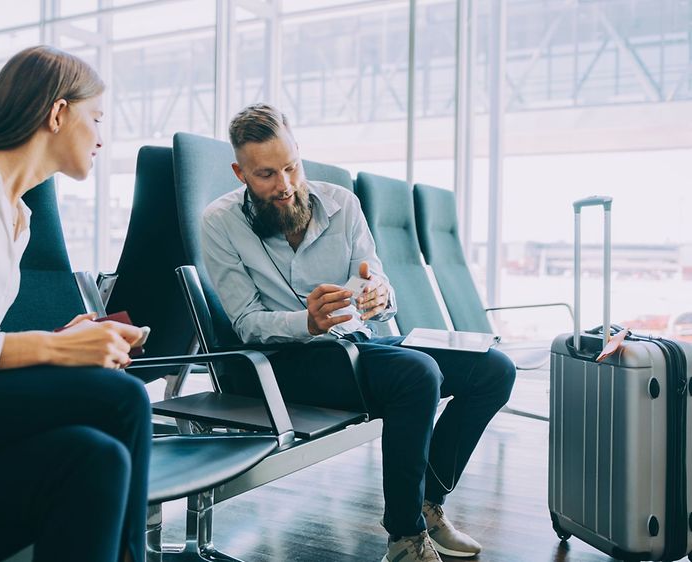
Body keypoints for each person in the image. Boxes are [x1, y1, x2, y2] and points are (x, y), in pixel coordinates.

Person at [202, 103, 517, 562]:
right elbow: (246, 323)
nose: (286, 185)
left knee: (493, 369)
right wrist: (304, 322)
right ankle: (405, 537)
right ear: (240, 172)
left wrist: (380, 298)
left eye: (291, 167)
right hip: (284, 363)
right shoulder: (220, 222)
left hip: (355, 345)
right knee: (417, 373)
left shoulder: (342, 205)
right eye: (267, 174)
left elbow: (378, 285)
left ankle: (428, 502)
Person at [0, 46, 151, 562]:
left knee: (96, 458)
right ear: (58, 113)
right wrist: (46, 352)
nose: (103, 136)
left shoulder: (18, 217)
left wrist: (60, 343)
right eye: (97, 118)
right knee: (121, 397)